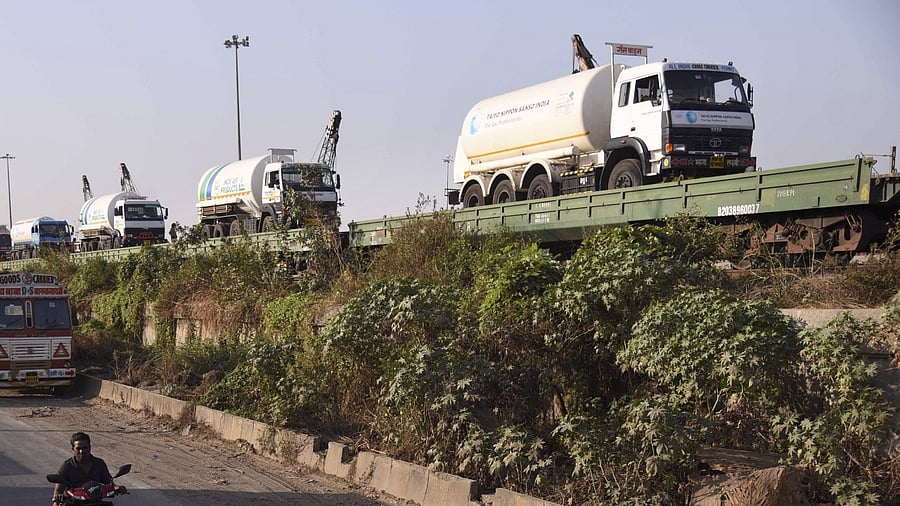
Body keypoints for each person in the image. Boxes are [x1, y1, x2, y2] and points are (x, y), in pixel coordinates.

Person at [52, 432, 126, 505]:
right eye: (78, 448)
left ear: (89, 447)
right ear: (73, 449)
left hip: (97, 502)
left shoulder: (99, 463)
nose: (81, 451)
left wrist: (117, 488)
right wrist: (58, 499)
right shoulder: (67, 466)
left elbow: (109, 483)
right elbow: (58, 490)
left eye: (84, 448)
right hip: (74, 503)